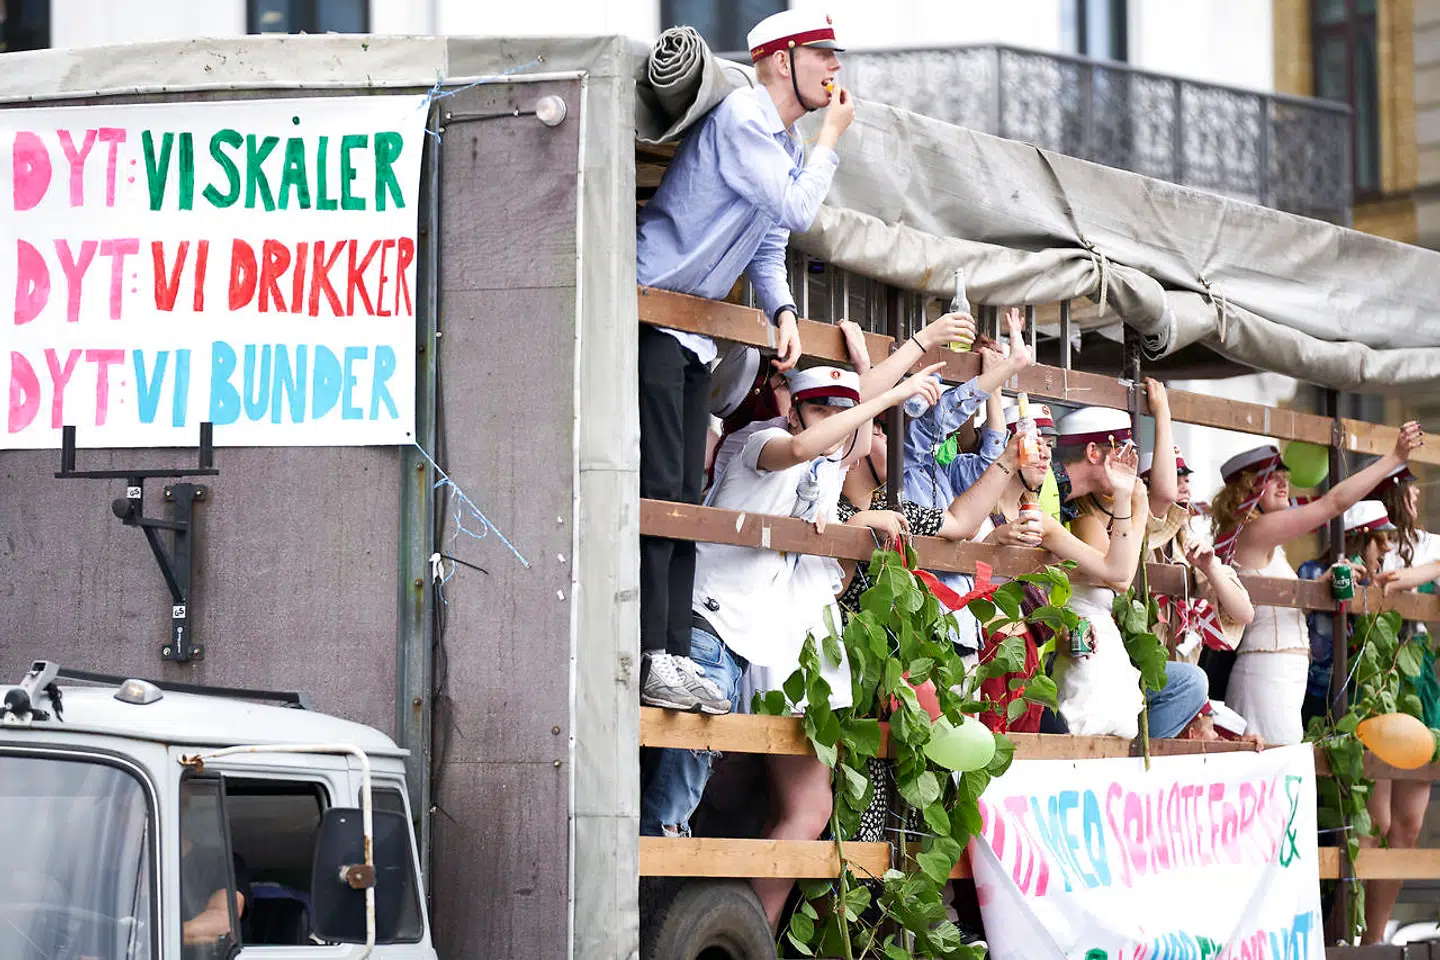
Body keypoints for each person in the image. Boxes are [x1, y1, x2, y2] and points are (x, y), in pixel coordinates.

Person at [641, 362, 945, 918]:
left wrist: (910, 355)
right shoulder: (765, 440)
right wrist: (890, 395)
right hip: (709, 623)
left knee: (691, 786)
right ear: (793, 409)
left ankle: (672, 913)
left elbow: (840, 434)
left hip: (742, 638)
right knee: (676, 793)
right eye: (819, 408)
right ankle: (643, 912)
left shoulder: (828, 474)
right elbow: (806, 444)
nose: (833, 421)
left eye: (839, 411)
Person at [635, 8, 856, 713]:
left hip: (693, 330)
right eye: (823, 53)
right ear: (779, 59)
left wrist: (784, 310)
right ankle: (651, 652)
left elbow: (767, 243)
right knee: (662, 488)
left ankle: (669, 651)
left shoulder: (779, 138)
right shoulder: (741, 117)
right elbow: (795, 208)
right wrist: (831, 142)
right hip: (652, 314)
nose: (835, 68)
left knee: (682, 493)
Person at [1211, 422, 1424, 745]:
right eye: (1272, 477)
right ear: (1247, 488)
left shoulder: (1269, 545)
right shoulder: (1252, 532)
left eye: (1285, 476)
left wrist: (1315, 589)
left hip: (1282, 671)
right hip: (1267, 673)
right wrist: (1394, 457)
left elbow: (1275, 612)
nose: (1285, 483)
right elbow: (1333, 504)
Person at [1048, 407, 1210, 739]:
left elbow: (1163, 497)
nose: (1132, 466)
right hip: (1055, 658)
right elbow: (1120, 576)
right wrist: (1133, 503)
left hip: (1073, 655)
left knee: (1188, 683)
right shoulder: (1074, 509)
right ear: (1094, 453)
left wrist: (1164, 411)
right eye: (1124, 451)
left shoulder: (1080, 505)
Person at [901, 308, 1034, 657]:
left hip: (961, 628)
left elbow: (989, 466)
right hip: (922, 630)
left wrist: (994, 387)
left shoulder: (937, 467)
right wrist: (1006, 368)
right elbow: (936, 422)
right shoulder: (902, 461)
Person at [1362, 469, 1440, 944]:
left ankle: (1375, 935)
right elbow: (1385, 582)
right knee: (1377, 818)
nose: (1413, 499)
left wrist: (1427, 571)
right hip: (1379, 673)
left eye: (1414, 493)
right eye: (1404, 492)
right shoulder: (1373, 539)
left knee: (1409, 825)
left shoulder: (1432, 542)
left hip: (1421, 678)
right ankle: (1355, 933)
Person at [1138, 399, 1254, 664]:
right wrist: (1163, 413)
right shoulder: (1135, 532)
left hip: (1180, 668)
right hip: (1139, 674)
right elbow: (1160, 504)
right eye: (1173, 479)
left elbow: (1244, 613)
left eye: (1186, 480)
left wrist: (1211, 568)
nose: (1184, 488)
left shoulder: (1189, 544)